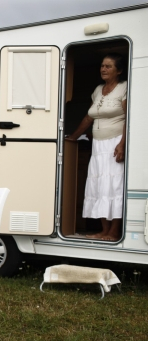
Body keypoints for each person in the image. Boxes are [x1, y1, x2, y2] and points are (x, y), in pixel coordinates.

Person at [66, 53, 127, 241]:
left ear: (119, 70)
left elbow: (129, 117)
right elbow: (89, 117)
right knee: (100, 186)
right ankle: (104, 230)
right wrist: (73, 137)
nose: (103, 69)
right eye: (102, 66)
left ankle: (114, 232)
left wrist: (122, 144)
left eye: (108, 66)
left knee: (114, 187)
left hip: (115, 142)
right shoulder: (98, 89)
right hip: (98, 145)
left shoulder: (124, 88)